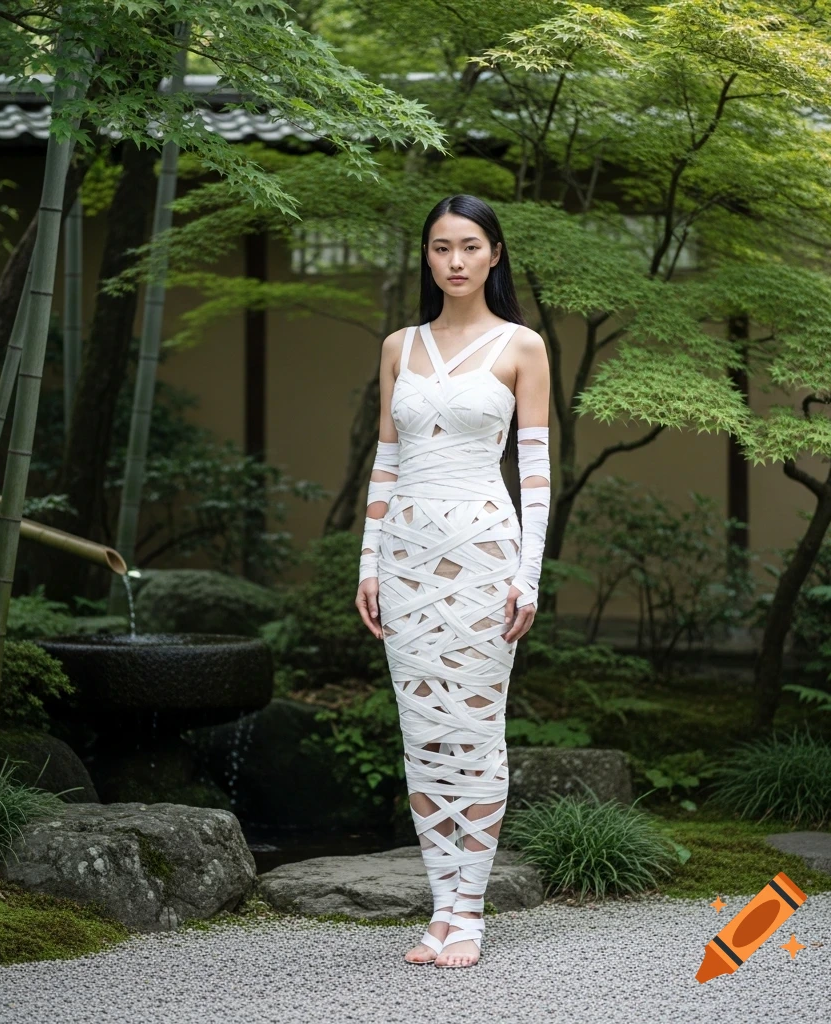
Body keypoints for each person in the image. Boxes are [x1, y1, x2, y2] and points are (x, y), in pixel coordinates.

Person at [355, 194, 550, 969]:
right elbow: (385, 460)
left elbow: (534, 476)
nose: (457, 261)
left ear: (494, 254)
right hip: (403, 561)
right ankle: (439, 910)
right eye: (442, 248)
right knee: (422, 735)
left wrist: (529, 579)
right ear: (427, 257)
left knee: (473, 731)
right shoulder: (399, 345)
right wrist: (367, 563)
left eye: (471, 246)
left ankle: (470, 910)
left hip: (484, 560)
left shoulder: (522, 346)